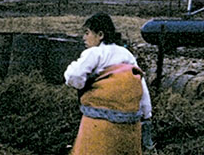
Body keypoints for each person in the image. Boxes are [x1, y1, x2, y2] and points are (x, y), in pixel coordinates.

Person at [64, 13, 154, 154]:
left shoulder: (95, 53)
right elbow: (141, 86)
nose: (84, 38)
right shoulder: (126, 54)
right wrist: (146, 115)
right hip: (129, 124)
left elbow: (74, 76)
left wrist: (83, 85)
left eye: (87, 33)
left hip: (99, 122)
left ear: (100, 35)